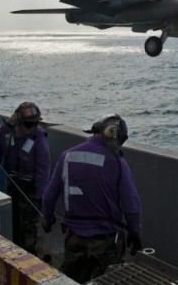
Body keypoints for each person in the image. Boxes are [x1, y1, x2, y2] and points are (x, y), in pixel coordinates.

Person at [42, 114, 142, 283]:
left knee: (73, 280)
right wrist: (135, 232)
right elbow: (131, 205)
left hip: (75, 239)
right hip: (106, 242)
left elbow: (49, 196)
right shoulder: (117, 163)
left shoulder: (67, 156)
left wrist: (48, 218)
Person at [0, 102, 50, 253]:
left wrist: (40, 197)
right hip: (13, 185)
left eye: (34, 125)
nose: (31, 129)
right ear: (17, 122)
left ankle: (28, 254)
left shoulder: (39, 139)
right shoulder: (4, 132)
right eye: (27, 125)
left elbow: (44, 169)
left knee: (28, 227)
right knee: (12, 221)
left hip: (31, 190)